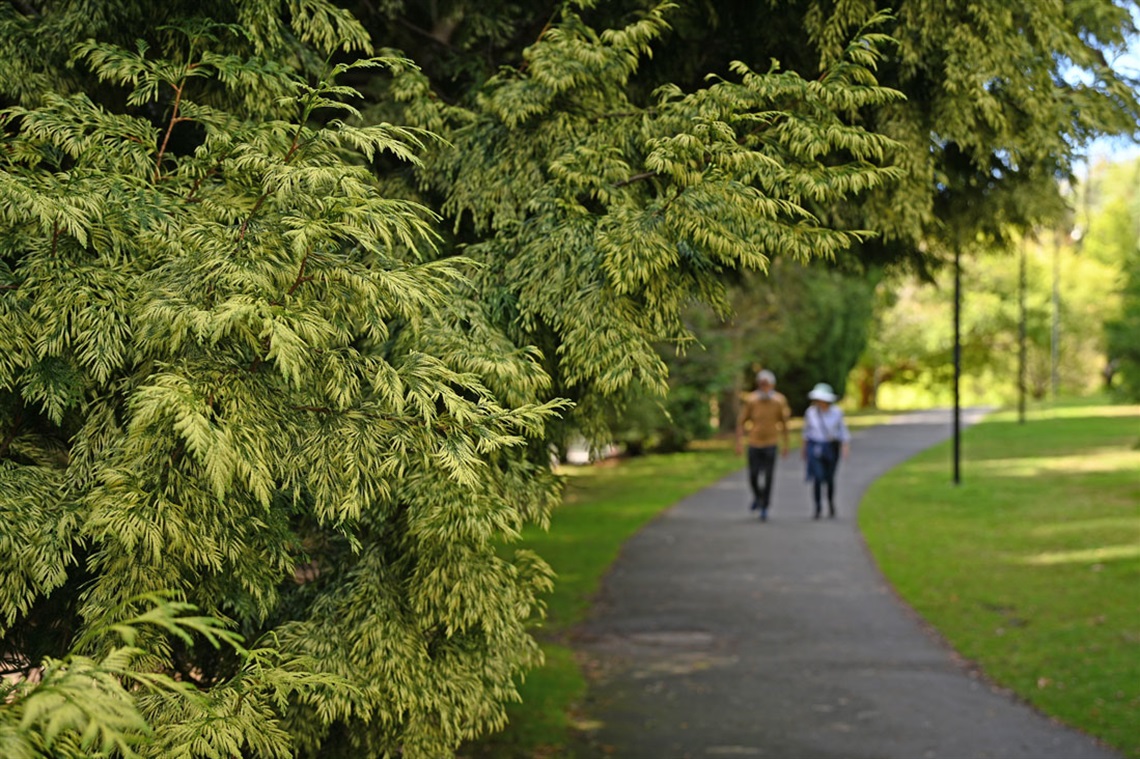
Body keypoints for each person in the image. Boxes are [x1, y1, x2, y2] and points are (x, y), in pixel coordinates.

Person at [735, 369, 791, 521]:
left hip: (771, 443)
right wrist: (739, 443)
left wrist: (786, 445)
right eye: (762, 384)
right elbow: (741, 422)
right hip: (754, 443)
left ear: (772, 385)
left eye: (767, 384)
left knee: (768, 476)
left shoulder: (779, 401)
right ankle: (758, 497)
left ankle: (764, 506)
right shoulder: (752, 400)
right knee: (753, 475)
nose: (764, 387)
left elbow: (785, 424)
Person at [801, 382, 850, 519]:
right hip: (815, 446)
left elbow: (842, 431)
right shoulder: (811, 413)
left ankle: (830, 502)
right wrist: (804, 448)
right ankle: (817, 507)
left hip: (831, 447)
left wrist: (845, 447)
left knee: (829, 478)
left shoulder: (837, 412)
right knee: (817, 477)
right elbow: (806, 432)